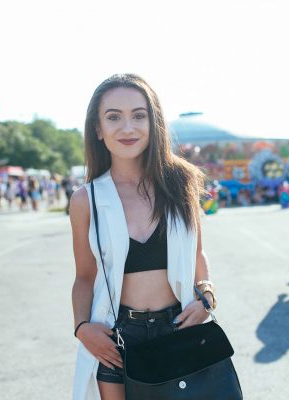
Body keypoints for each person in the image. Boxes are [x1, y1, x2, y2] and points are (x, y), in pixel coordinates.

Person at [70, 74, 216, 400]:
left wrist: (207, 296)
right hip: (116, 336)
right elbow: (84, 277)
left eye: (139, 115)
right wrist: (82, 328)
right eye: (113, 117)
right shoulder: (86, 200)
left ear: (154, 122)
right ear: (98, 129)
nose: (128, 128)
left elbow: (197, 255)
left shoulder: (181, 182)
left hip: (179, 328)